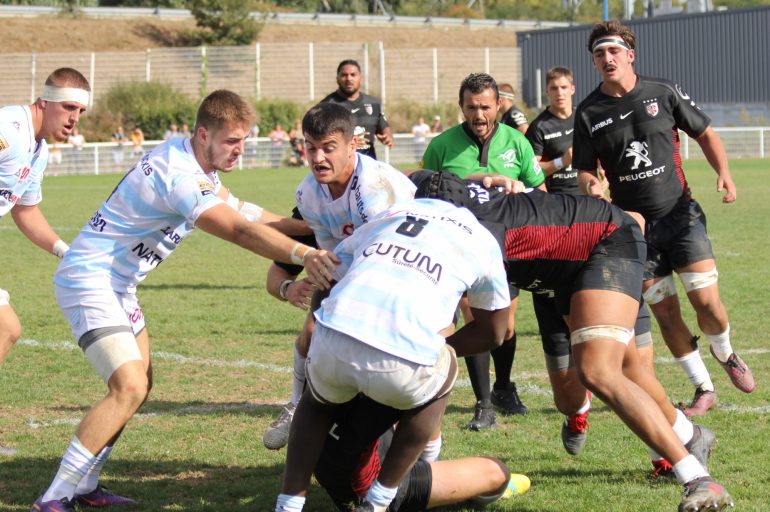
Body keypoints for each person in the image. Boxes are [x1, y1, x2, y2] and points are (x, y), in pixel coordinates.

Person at [31, 90, 339, 512]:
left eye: (244, 140)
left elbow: (248, 213)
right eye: (232, 141)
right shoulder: (177, 174)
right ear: (202, 134)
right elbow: (238, 231)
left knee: (140, 387)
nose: (240, 150)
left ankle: (84, 484)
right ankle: (53, 498)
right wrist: (306, 253)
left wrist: (313, 227)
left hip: (118, 285)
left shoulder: (199, 165)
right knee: (129, 386)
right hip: (90, 280)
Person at [412, 169, 734, 512]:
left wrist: (433, 349)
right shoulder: (451, 197)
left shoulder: (474, 238)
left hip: (605, 240)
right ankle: (691, 435)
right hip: (565, 261)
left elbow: (494, 332)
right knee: (627, 370)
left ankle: (698, 479)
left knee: (598, 371)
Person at [275, 197, 511, 512]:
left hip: (334, 348)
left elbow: (329, 273)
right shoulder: (479, 238)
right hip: (365, 478)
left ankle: (288, 504)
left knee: (317, 402)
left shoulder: (390, 215)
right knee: (497, 471)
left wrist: (323, 320)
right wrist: (435, 345)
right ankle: (381, 500)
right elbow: (495, 332)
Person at [572, 20, 754, 417]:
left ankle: (724, 352)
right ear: (594, 61)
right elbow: (584, 169)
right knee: (666, 312)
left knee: (708, 303)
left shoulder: (662, 91)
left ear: (630, 55)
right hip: (636, 229)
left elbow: (704, 133)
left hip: (680, 215)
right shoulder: (588, 113)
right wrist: (592, 187)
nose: (607, 58)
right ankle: (703, 387)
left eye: (614, 51)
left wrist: (723, 172)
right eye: (600, 53)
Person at [262, 103, 416, 451]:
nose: (317, 157)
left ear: (352, 145)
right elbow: (332, 252)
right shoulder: (308, 194)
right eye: (310, 147)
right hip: (355, 268)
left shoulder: (375, 191)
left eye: (328, 147)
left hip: (403, 275)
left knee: (384, 359)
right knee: (312, 332)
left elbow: (389, 261)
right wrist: (301, 285)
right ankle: (298, 405)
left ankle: (411, 449)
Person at [420, 72, 546, 430]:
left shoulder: (516, 143)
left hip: (509, 246)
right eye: (471, 107)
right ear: (461, 106)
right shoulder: (442, 145)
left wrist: (527, 195)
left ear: (498, 106)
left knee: (503, 328)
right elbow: (423, 190)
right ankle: (484, 404)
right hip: (458, 251)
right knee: (476, 320)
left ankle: (504, 387)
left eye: (485, 107)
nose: (478, 115)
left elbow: (540, 191)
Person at [0, 67, 90, 457]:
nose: (74, 118)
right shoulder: (10, 128)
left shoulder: (39, 150)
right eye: (68, 107)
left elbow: (26, 211)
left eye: (81, 111)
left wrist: (65, 252)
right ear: (46, 101)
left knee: (6, 330)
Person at [313, 394, 530, 511]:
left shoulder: (328, 355)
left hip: (343, 457)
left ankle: (429, 465)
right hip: (379, 481)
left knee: (424, 391)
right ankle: (451, 489)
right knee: (497, 472)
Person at [321, 59, 393, 160]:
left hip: (368, 165)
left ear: (360, 77)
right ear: (337, 78)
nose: (349, 79)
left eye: (353, 75)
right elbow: (320, 136)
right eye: (344, 75)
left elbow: (384, 127)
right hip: (341, 165)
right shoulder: (327, 105)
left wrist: (388, 136)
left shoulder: (373, 103)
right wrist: (345, 142)